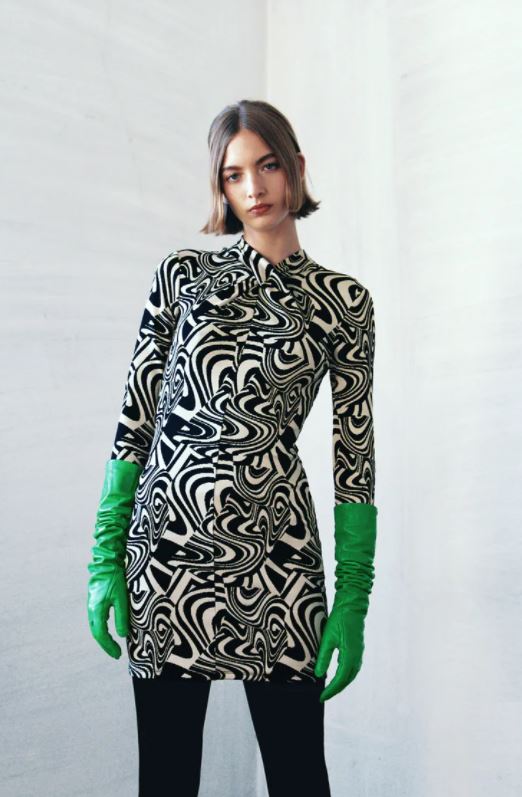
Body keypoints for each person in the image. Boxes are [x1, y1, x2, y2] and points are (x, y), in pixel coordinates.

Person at [87, 98, 378, 796]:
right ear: (219, 186)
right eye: (234, 174)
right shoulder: (182, 275)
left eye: (268, 165)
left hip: (280, 567)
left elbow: (354, 457)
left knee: (300, 777)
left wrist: (354, 595)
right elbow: (135, 418)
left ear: (297, 167)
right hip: (167, 558)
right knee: (166, 779)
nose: (254, 188)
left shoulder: (345, 303)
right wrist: (104, 553)